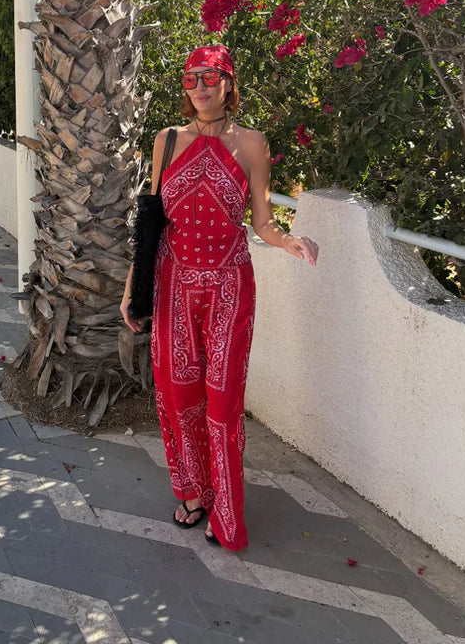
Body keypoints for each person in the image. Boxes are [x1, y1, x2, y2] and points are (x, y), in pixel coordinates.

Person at [120, 44, 319, 550]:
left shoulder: (252, 143)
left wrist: (290, 239)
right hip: (172, 285)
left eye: (210, 77)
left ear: (228, 81)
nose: (200, 87)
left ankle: (227, 511)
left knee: (223, 403)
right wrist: (132, 290)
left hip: (230, 285)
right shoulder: (166, 140)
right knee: (178, 395)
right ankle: (192, 492)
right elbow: (150, 222)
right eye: (190, 79)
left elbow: (262, 220)